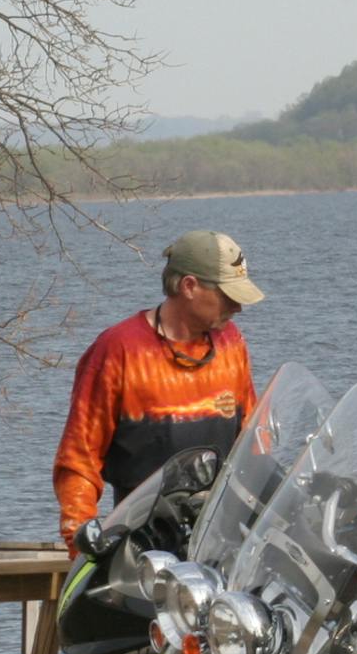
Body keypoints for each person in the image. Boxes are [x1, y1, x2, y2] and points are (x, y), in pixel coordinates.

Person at [53, 231, 261, 551]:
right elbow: (79, 459)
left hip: (220, 544)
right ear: (189, 286)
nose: (237, 308)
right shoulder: (119, 350)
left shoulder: (231, 343)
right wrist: (81, 543)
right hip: (141, 550)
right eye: (228, 296)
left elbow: (254, 440)